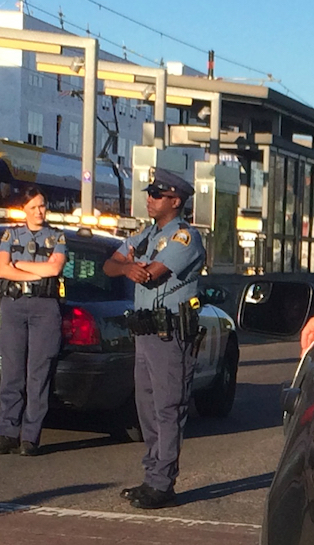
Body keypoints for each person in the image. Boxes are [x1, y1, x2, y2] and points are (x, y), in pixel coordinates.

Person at [103, 168, 205, 510]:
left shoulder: (184, 238)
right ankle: (151, 476)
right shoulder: (146, 234)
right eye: (150, 193)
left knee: (167, 407)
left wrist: (134, 267)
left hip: (170, 332)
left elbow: (151, 274)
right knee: (146, 407)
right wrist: (126, 267)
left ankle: (163, 483)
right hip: (145, 332)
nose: (149, 198)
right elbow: (111, 264)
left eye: (157, 195)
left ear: (175, 201)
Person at [0, 187, 67, 456]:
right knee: (12, 374)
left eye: (42, 206)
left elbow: (54, 269)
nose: (39, 211)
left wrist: (18, 267)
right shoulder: (11, 234)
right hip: (14, 306)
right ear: (24, 210)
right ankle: (6, 432)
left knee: (38, 375)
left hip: (45, 308)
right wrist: (35, 271)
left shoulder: (57, 236)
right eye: (33, 207)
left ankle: (30, 437)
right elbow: (0, 269)